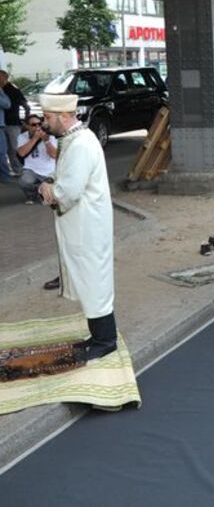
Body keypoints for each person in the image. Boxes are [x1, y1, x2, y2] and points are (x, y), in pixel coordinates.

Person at [37, 93, 118, 361]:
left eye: (48, 117)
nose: (44, 122)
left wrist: (48, 189)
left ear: (63, 116)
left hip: (87, 226)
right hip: (85, 224)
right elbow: (65, 175)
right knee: (90, 281)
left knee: (94, 282)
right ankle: (98, 337)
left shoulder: (80, 143)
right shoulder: (74, 138)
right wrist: (51, 181)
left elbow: (68, 191)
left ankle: (105, 341)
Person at [17, 114, 58, 204]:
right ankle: (35, 194)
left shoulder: (50, 135)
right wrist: (35, 139)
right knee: (24, 181)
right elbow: (21, 153)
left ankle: (42, 193)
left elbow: (54, 155)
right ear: (27, 126)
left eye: (39, 124)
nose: (37, 127)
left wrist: (46, 141)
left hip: (49, 170)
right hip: (31, 169)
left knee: (56, 190)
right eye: (33, 125)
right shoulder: (22, 137)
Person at [2, 71, 30, 176]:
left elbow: (26, 106)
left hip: (13, 123)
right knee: (7, 149)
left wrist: (27, 120)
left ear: (5, 78)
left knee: (15, 147)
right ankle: (15, 169)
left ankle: (22, 169)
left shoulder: (13, 90)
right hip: (3, 123)